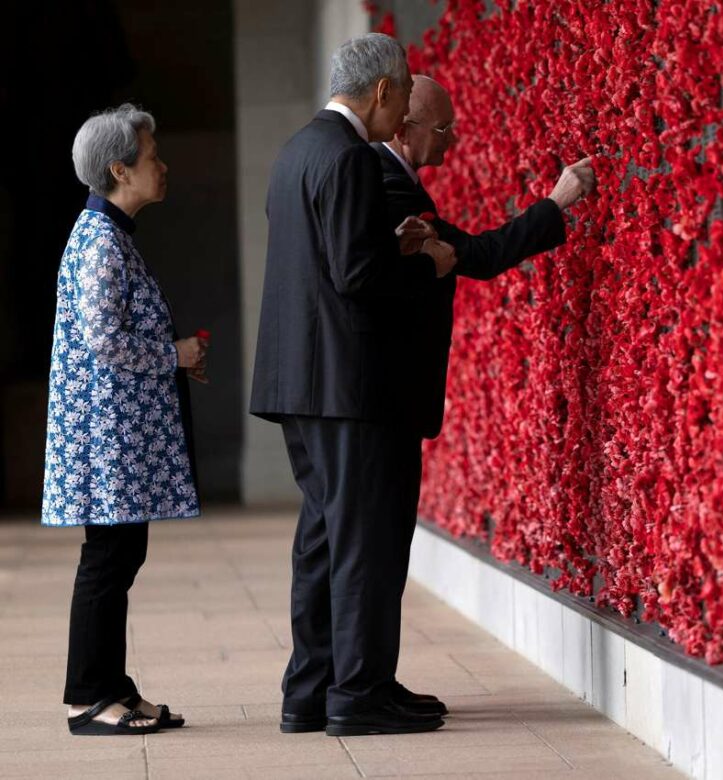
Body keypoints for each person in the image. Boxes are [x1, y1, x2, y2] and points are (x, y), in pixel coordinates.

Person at [249, 34, 457, 737]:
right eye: (401, 96)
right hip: (347, 387)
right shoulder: (349, 158)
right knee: (365, 542)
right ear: (382, 93)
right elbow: (356, 276)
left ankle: (309, 692)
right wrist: (425, 263)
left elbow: (323, 259)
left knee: (323, 540)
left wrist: (385, 244)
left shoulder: (297, 150)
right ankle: (359, 694)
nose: (400, 111)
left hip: (299, 382)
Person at [369, 73, 595, 693]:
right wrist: (556, 204)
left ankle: (355, 686)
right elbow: (477, 255)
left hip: (384, 397)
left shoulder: (398, 180)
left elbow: (465, 252)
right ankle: (363, 688)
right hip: (382, 396)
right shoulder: (385, 183)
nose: (453, 142)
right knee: (373, 546)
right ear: (404, 126)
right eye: (443, 129)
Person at [43, 104, 209, 735]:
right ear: (119, 169)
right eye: (152, 158)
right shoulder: (101, 243)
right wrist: (175, 354)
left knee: (120, 554)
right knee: (109, 558)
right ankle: (88, 696)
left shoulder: (108, 236)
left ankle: (111, 685)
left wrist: (172, 358)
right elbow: (105, 342)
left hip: (115, 429)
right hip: (104, 433)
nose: (162, 167)